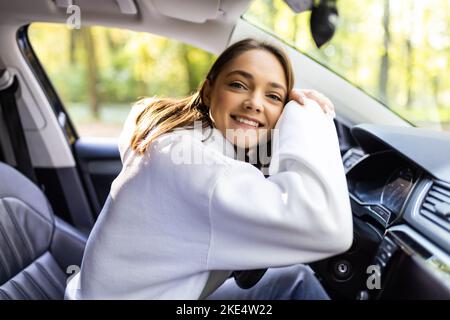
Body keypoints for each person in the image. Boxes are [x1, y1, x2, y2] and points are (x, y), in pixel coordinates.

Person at [65, 38, 353, 300]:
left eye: (274, 97)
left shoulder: (168, 133)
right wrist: (306, 116)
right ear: (207, 90)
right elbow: (331, 230)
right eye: (239, 85)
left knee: (293, 281)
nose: (254, 103)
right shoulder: (204, 172)